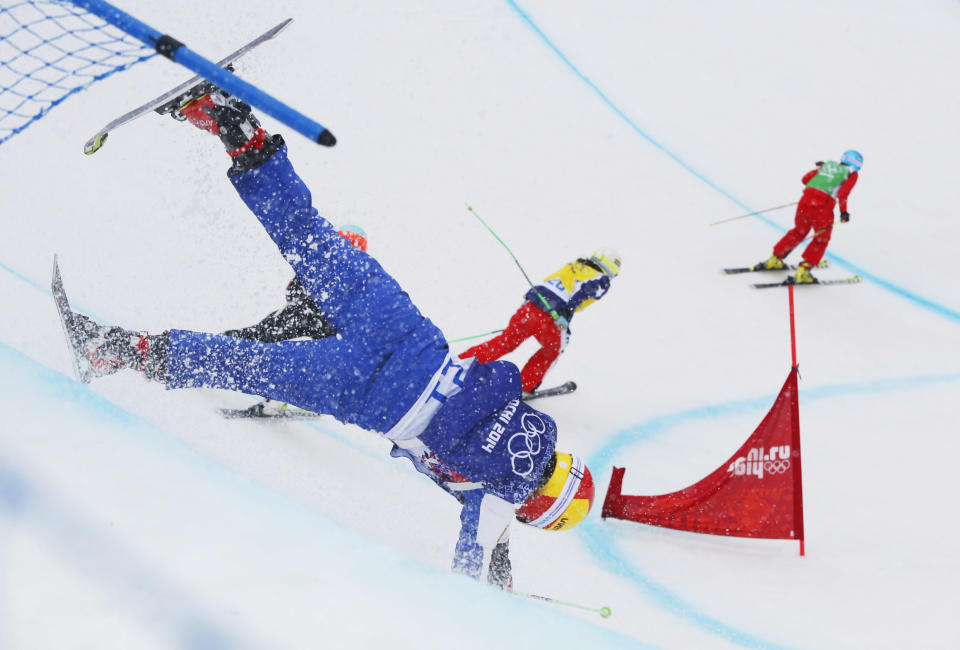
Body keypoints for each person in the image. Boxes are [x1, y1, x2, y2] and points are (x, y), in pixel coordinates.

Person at [56, 84, 595, 588]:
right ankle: (113, 349)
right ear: (536, 511)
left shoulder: (528, 434)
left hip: (407, 336)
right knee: (242, 364)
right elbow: (471, 564)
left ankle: (231, 122)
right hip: (369, 395)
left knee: (309, 235)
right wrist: (495, 593)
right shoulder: (501, 500)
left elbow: (497, 470)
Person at [221, 225, 367, 417]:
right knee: (304, 362)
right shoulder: (358, 274)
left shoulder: (321, 259)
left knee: (260, 336)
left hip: (301, 314)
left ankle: (218, 348)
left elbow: (293, 290)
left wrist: (302, 304)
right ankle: (290, 398)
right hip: (321, 324)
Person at [459, 251, 621, 394]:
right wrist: (566, 311)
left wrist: (530, 316)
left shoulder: (576, 265)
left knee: (506, 341)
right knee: (554, 349)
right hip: (552, 316)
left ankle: (462, 364)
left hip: (529, 307)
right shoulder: (602, 279)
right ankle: (524, 386)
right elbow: (585, 291)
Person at [758, 151, 862, 284]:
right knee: (821, 239)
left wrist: (820, 171)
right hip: (822, 208)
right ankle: (804, 271)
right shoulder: (852, 173)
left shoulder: (827, 166)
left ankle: (774, 259)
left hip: (805, 203)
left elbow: (805, 179)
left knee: (799, 231)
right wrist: (844, 212)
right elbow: (843, 194)